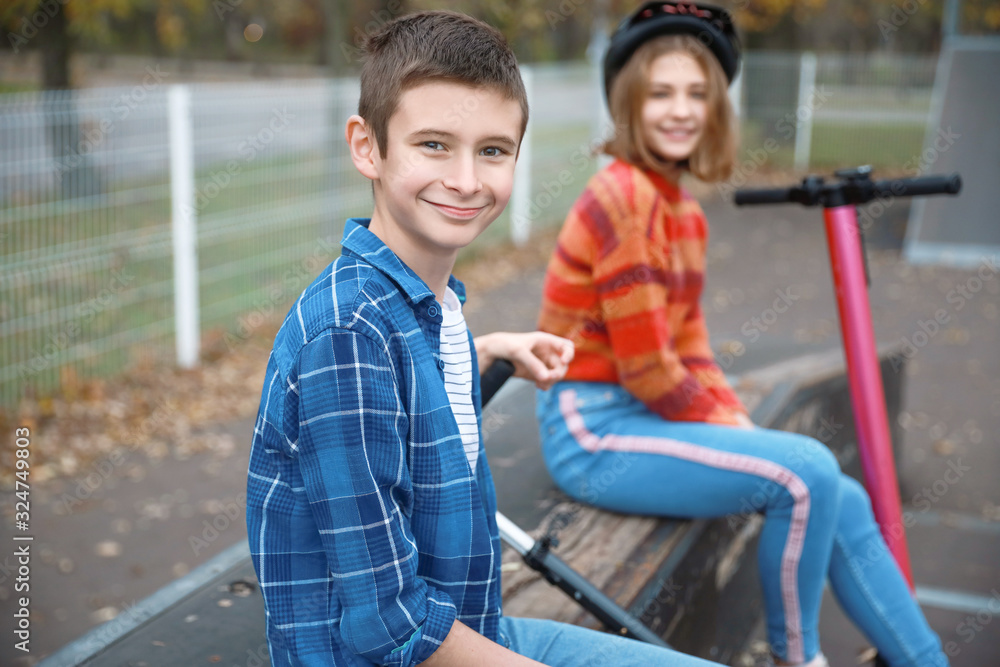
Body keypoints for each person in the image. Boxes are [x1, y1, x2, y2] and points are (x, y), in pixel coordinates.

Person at [245, 10, 724, 666]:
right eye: (435, 145)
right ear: (367, 146)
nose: (467, 180)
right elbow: (387, 625)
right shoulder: (348, 334)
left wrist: (486, 351)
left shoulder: (424, 305)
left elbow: (406, 408)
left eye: (492, 150)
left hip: (475, 628)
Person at [534, 3, 949, 667]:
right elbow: (647, 369)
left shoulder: (683, 212)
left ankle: (925, 659)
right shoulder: (623, 198)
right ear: (629, 103)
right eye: (661, 92)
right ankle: (796, 656)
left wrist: (732, 419)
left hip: (646, 416)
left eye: (698, 93)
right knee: (807, 469)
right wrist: (740, 432)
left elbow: (691, 343)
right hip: (592, 430)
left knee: (838, 492)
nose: (681, 109)